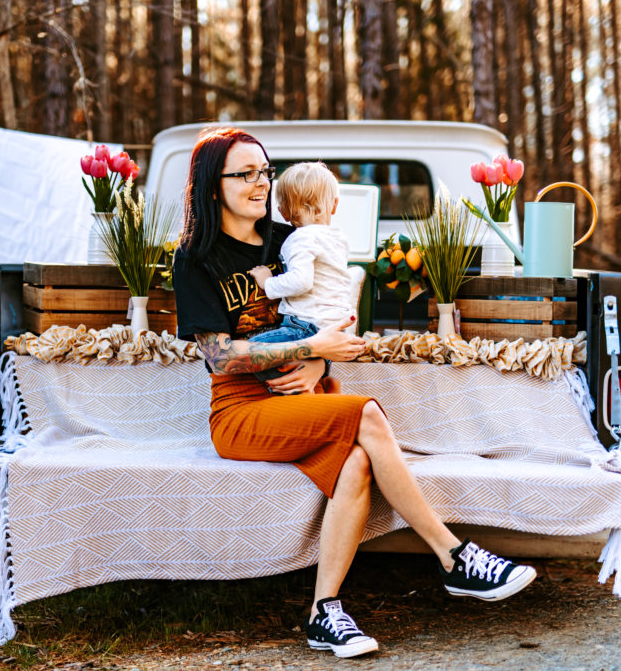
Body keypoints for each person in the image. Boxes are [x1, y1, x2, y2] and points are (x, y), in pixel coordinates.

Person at [172, 127, 536, 660]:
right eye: (244, 174)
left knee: (359, 464)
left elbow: (338, 315)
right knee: (366, 415)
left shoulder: (288, 238)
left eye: (264, 172)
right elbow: (220, 357)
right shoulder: (196, 258)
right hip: (242, 412)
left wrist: (318, 355)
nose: (260, 184)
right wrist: (311, 345)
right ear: (211, 186)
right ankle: (454, 557)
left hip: (307, 396)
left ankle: (325, 612)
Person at [245, 161, 351, 393]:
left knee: (250, 352)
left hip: (306, 326)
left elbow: (301, 281)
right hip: (334, 326)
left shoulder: (300, 238)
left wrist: (266, 282)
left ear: (283, 212)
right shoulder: (338, 239)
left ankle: (302, 389)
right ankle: (318, 380)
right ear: (334, 205)